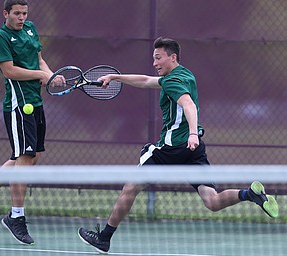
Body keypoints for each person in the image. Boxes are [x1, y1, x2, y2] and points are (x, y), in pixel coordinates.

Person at [77, 37, 279, 254]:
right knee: (212, 201)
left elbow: (188, 104)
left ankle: (104, 238)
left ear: (172, 57)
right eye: (153, 58)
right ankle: (250, 195)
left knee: (130, 187)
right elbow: (146, 81)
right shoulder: (185, 74)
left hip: (171, 149)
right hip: (194, 151)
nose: (154, 63)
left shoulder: (172, 82)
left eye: (158, 58)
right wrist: (116, 77)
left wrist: (191, 133)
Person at [0, 0, 63, 245]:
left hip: (36, 103)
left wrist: (50, 75)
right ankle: (16, 217)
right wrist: (41, 75)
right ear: (6, 14)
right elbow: (9, 71)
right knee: (24, 157)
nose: (21, 17)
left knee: (31, 156)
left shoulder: (30, 29)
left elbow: (39, 60)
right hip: (18, 106)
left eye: (24, 13)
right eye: (17, 14)